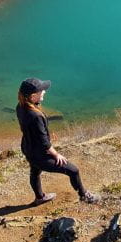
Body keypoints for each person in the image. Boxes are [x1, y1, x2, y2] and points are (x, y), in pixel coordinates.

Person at [15, 77, 99, 205]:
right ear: (33, 96)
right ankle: (84, 195)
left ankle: (39, 197)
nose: (44, 92)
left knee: (35, 172)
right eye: (42, 90)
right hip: (40, 155)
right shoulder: (36, 115)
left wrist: (45, 135)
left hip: (28, 148)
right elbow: (44, 143)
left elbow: (31, 130)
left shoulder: (21, 107)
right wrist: (56, 154)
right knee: (73, 170)